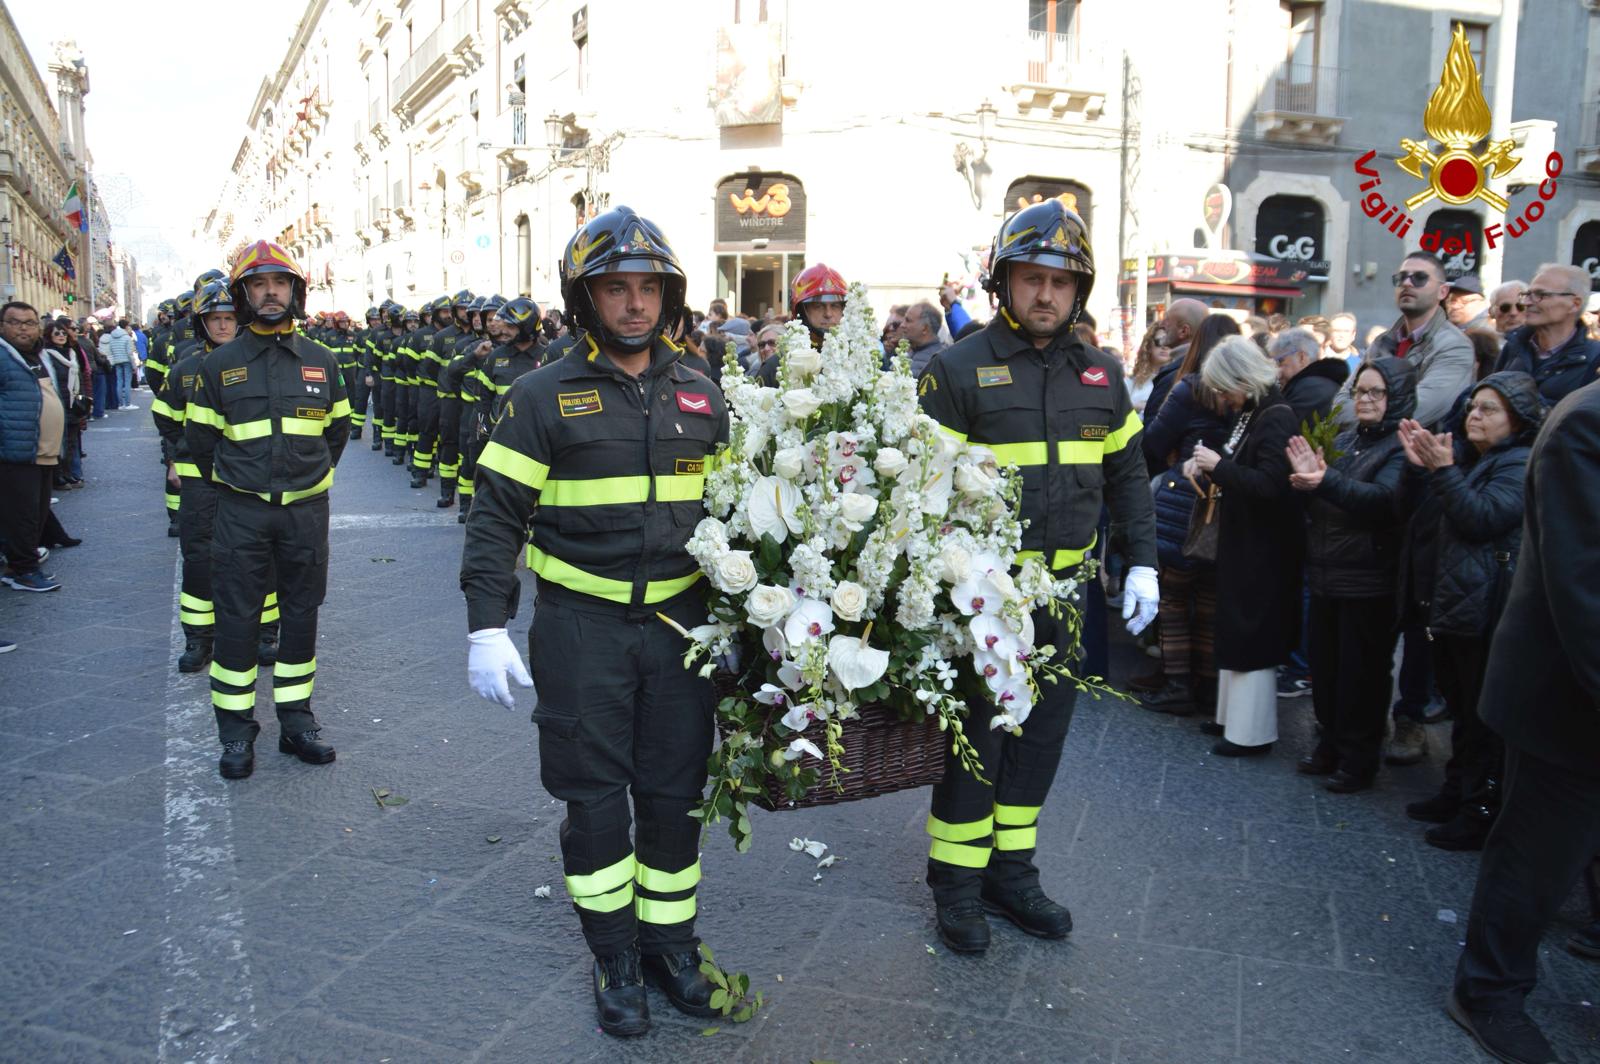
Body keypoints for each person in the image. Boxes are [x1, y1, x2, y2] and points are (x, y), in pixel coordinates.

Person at [460, 206, 731, 1037]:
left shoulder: (701, 390)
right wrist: (485, 624)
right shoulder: (540, 395)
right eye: (617, 288)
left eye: (649, 288)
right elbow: (496, 514)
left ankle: (672, 945)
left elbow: (738, 513)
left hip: (683, 631)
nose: (636, 305)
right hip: (583, 631)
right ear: (585, 299)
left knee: (676, 795)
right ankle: (614, 953)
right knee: (596, 803)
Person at [916, 199, 1159, 953]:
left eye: (1060, 281)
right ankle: (956, 885)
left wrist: (1143, 561)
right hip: (983, 596)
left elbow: (1128, 477)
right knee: (979, 741)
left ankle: (1010, 872)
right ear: (1003, 283)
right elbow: (924, 490)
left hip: (1069, 595)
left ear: (1078, 290)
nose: (1045, 294)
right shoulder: (957, 370)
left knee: (1041, 739)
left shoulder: (1103, 373)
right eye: (1030, 278)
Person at [1445, 378, 1600, 1064]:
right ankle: (1488, 990)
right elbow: (1584, 587)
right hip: (1564, 699)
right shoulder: (1586, 423)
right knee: (1535, 859)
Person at [184, 240, 349, 780]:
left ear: (295, 292)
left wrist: (306, 478)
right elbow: (201, 444)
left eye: (280, 283)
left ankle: (296, 722)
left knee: (301, 619)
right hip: (242, 512)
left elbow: (338, 433)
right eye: (259, 284)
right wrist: (246, 484)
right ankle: (235, 734)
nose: (270, 292)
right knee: (237, 620)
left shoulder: (323, 362)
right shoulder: (220, 365)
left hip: (305, 513)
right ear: (244, 294)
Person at [1399, 372, 1543, 852]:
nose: (1474, 416)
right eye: (1473, 407)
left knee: (1482, 718)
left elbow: (1481, 519)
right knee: (1462, 710)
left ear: (1517, 419)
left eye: (1488, 409)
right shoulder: (1482, 458)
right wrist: (1426, 468)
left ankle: (1479, 811)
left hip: (1487, 611)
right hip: (1459, 605)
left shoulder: (1519, 462)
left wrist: (1441, 471)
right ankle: (1456, 792)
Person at [1287, 357, 1416, 791]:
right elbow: (1324, 501)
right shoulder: (1346, 438)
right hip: (1327, 572)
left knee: (1360, 674)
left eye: (1376, 392)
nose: (1364, 400)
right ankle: (1330, 744)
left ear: (1395, 397)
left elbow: (1384, 502)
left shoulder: (1402, 447)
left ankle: (1359, 759)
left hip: (1369, 580)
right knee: (1325, 669)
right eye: (1360, 391)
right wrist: (1307, 483)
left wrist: (1322, 482)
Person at [153, 280, 283, 673]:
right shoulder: (186, 370)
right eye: (216, 319)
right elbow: (166, 417)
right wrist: (176, 458)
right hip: (200, 480)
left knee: (263, 557)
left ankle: (265, 632)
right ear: (202, 323)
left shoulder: (263, 364)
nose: (224, 326)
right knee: (199, 558)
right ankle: (199, 638)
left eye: (230, 318)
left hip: (252, 478)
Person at [1184, 336, 1301, 757]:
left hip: (1262, 547)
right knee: (1235, 629)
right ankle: (1233, 722)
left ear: (1241, 379)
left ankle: (1249, 732)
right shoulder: (1258, 411)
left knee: (1250, 634)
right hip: (1248, 541)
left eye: (1223, 387)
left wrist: (1219, 467)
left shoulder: (1274, 417)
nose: (1221, 397)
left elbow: (1270, 485)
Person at [1136, 314, 1238, 715]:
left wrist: (1178, 453)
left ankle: (1177, 681)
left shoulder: (1189, 389)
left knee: (1174, 597)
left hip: (1184, 499)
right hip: (1228, 501)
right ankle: (1208, 685)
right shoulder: (1250, 395)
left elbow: (1153, 442)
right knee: (1211, 597)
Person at [1335, 252, 1473, 431]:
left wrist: (1365, 415)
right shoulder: (1382, 341)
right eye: (1401, 278)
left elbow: (1416, 412)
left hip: (1417, 454)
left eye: (1419, 278)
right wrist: (1367, 416)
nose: (1407, 283)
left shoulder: (1455, 346)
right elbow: (1339, 405)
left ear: (1443, 291)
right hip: (1365, 450)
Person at [0, 302, 65, 592]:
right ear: (3, 326)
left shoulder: (38, 355)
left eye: (29, 322)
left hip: (44, 450)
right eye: (15, 322)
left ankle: (19, 564)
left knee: (37, 514)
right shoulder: (3, 357)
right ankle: (23, 570)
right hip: (17, 451)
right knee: (22, 516)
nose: (23, 328)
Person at [1493, 263, 1600, 408]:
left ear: (1575, 304)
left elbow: (1587, 420)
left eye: (1540, 295)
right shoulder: (1514, 347)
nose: (1526, 302)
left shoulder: (1594, 359)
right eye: (1527, 295)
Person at [757, 263, 847, 386]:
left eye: (835, 305)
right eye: (818, 306)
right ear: (800, 311)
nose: (828, 314)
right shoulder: (776, 367)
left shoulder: (856, 361)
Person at [1142, 298, 1208, 422]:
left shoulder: (1180, 373)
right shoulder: (1201, 368)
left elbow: (1155, 429)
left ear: (1184, 331)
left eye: (1167, 320)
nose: (1162, 325)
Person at [1273, 325, 1349, 427]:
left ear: (1301, 358)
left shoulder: (1310, 390)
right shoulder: (1314, 383)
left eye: (1280, 361)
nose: (1277, 371)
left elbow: (1281, 429)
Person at [42, 321, 86, 489]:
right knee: (60, 441)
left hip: (73, 402)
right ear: (49, 336)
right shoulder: (47, 355)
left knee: (72, 441)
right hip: (58, 401)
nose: (61, 336)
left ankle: (69, 474)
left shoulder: (72, 353)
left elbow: (80, 376)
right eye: (57, 333)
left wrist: (82, 399)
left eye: (64, 333)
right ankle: (58, 475)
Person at [1124, 326, 1169, 415]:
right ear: (1149, 345)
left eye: (1169, 342)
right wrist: (1135, 406)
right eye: (1160, 341)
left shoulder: (1180, 379)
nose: (1165, 347)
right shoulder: (1131, 382)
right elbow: (1116, 409)